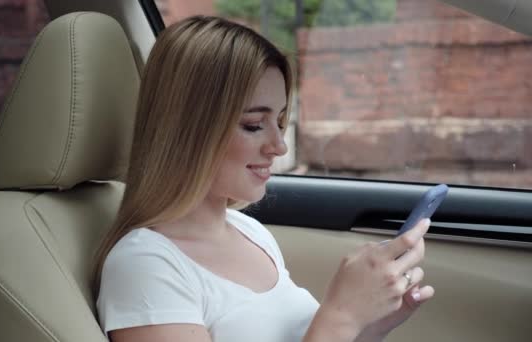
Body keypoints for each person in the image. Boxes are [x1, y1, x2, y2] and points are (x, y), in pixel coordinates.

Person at [93, 15, 434, 342]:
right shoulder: (144, 268)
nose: (279, 146)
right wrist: (341, 316)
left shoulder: (251, 233)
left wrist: (370, 323)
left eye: (281, 120)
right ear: (189, 130)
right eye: (254, 125)